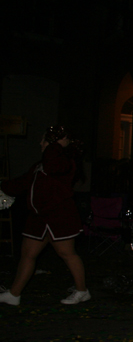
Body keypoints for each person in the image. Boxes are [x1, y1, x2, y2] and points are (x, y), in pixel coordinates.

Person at [0, 126, 89, 306]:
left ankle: (82, 291)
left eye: (45, 141)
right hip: (39, 217)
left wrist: (55, 145)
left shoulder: (65, 162)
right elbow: (23, 182)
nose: (41, 144)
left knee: (66, 253)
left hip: (59, 216)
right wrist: (3, 188)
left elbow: (52, 166)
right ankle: (14, 294)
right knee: (28, 254)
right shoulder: (41, 164)